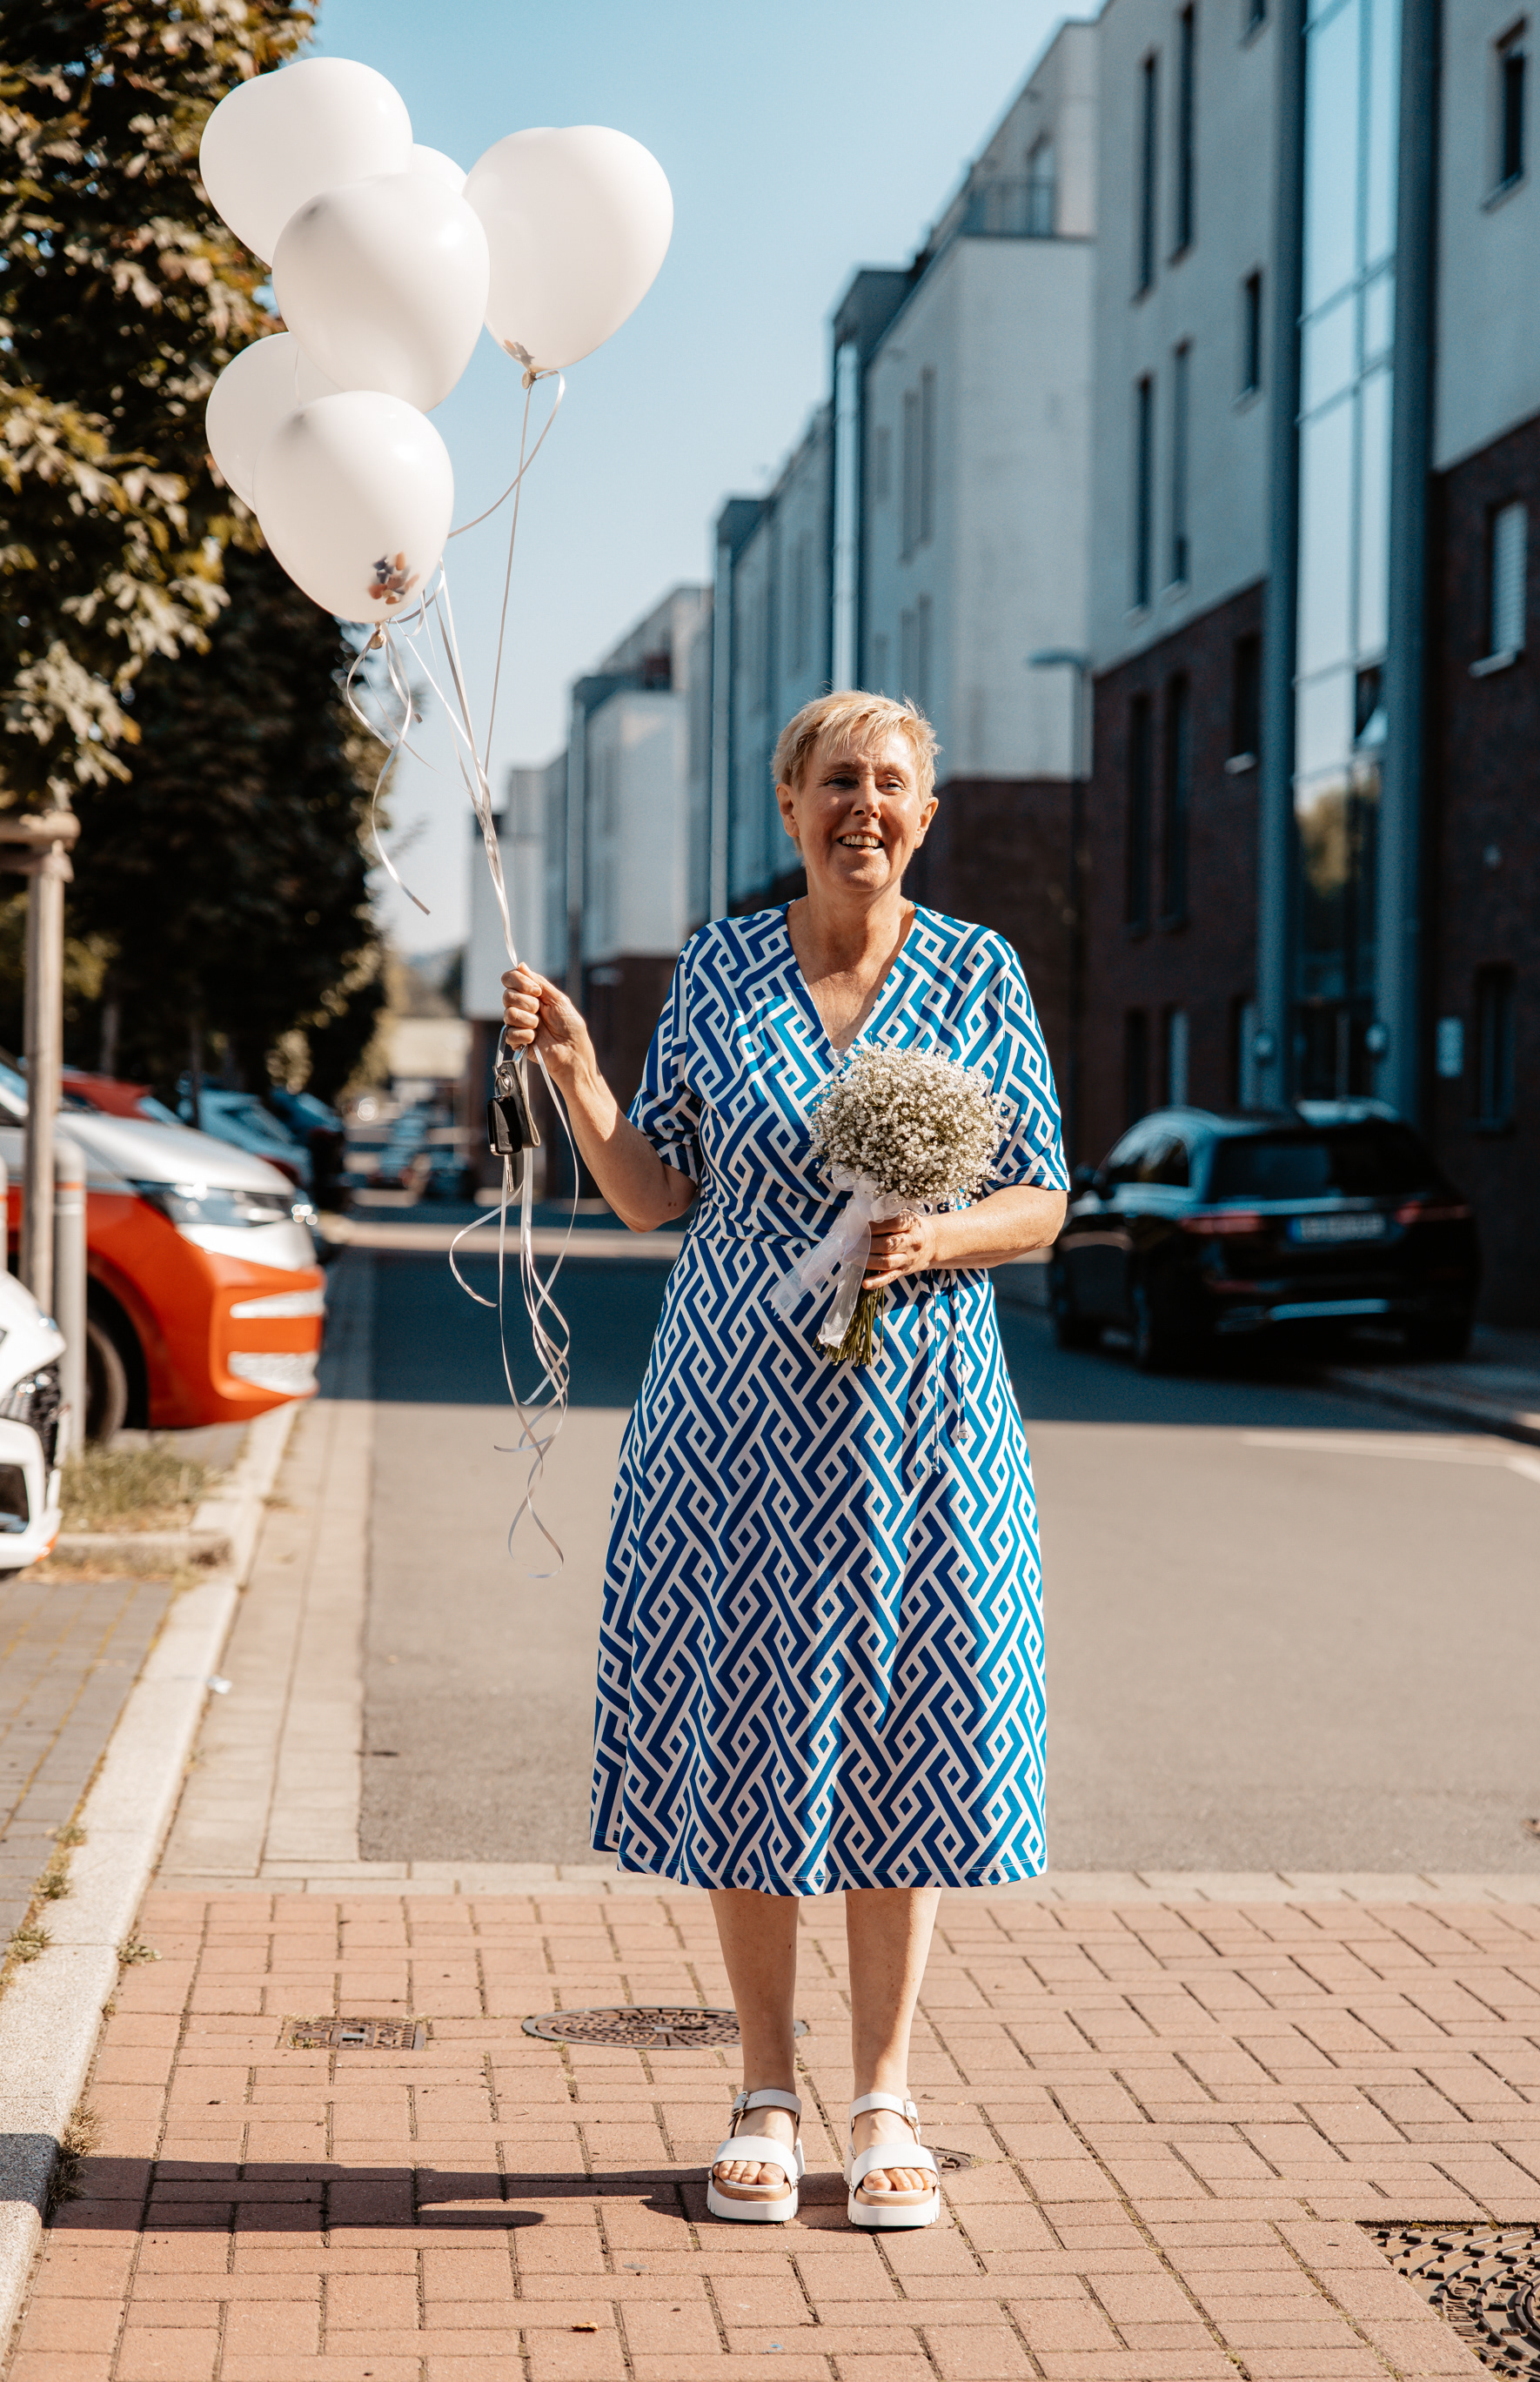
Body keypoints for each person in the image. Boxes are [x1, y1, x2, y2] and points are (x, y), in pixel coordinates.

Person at [502, 689, 1067, 2229]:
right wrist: (577, 1070)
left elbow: (1047, 1197)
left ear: (925, 814)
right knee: (753, 1735)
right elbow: (645, 1192)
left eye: (891, 784)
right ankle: (762, 2086)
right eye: (835, 782)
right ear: (787, 805)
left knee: (899, 1741)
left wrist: (929, 1235)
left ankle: (882, 2100)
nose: (862, 807)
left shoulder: (978, 971)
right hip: (734, 1426)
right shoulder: (720, 964)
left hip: (922, 1425)